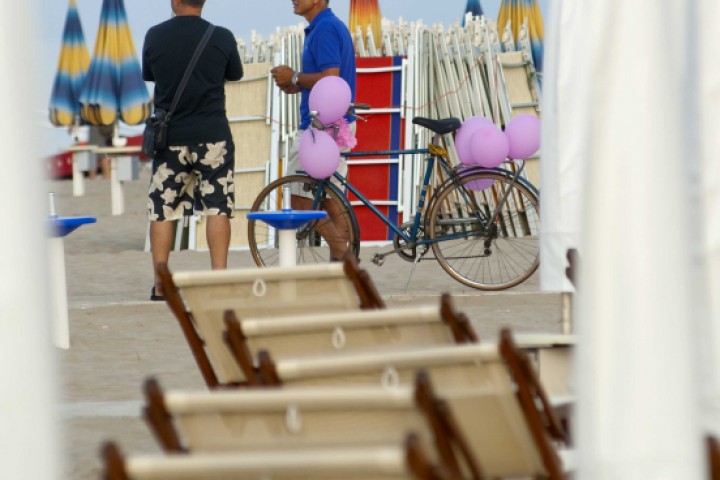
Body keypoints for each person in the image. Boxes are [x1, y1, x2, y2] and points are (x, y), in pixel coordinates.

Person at [142, 0, 243, 300]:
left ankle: (161, 284)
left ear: (175, 2)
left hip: (170, 138)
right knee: (217, 207)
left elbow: (151, 74)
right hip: (213, 136)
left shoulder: (154, 35)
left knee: (163, 210)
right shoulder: (221, 36)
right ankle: (218, 281)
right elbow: (234, 73)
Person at [270, 0, 357, 261]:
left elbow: (331, 76)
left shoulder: (324, 29)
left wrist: (295, 77)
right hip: (335, 123)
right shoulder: (329, 26)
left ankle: (342, 252)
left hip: (320, 127)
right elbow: (326, 79)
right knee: (331, 198)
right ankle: (343, 260)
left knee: (300, 198)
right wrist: (298, 85)